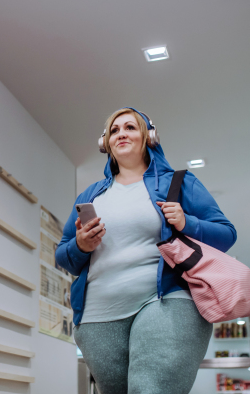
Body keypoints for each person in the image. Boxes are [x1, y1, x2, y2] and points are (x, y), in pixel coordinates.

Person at [55, 107, 237, 394]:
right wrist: (81, 245)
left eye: (130, 127)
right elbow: (63, 257)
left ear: (148, 137)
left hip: (166, 300)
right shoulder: (90, 196)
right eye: (114, 130)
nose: (121, 134)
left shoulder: (179, 183)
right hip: (98, 314)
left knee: (151, 389)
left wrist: (186, 222)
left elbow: (226, 234)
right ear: (106, 144)